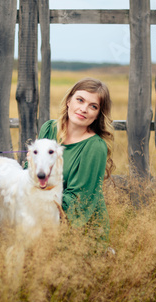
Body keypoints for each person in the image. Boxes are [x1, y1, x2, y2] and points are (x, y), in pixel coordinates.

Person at [37, 78, 115, 241]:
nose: (84, 109)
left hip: (80, 231)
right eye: (80, 100)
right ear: (68, 101)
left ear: (97, 114)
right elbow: (29, 170)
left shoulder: (95, 147)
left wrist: (35, 202)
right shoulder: (49, 129)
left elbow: (78, 201)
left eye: (93, 106)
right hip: (42, 218)